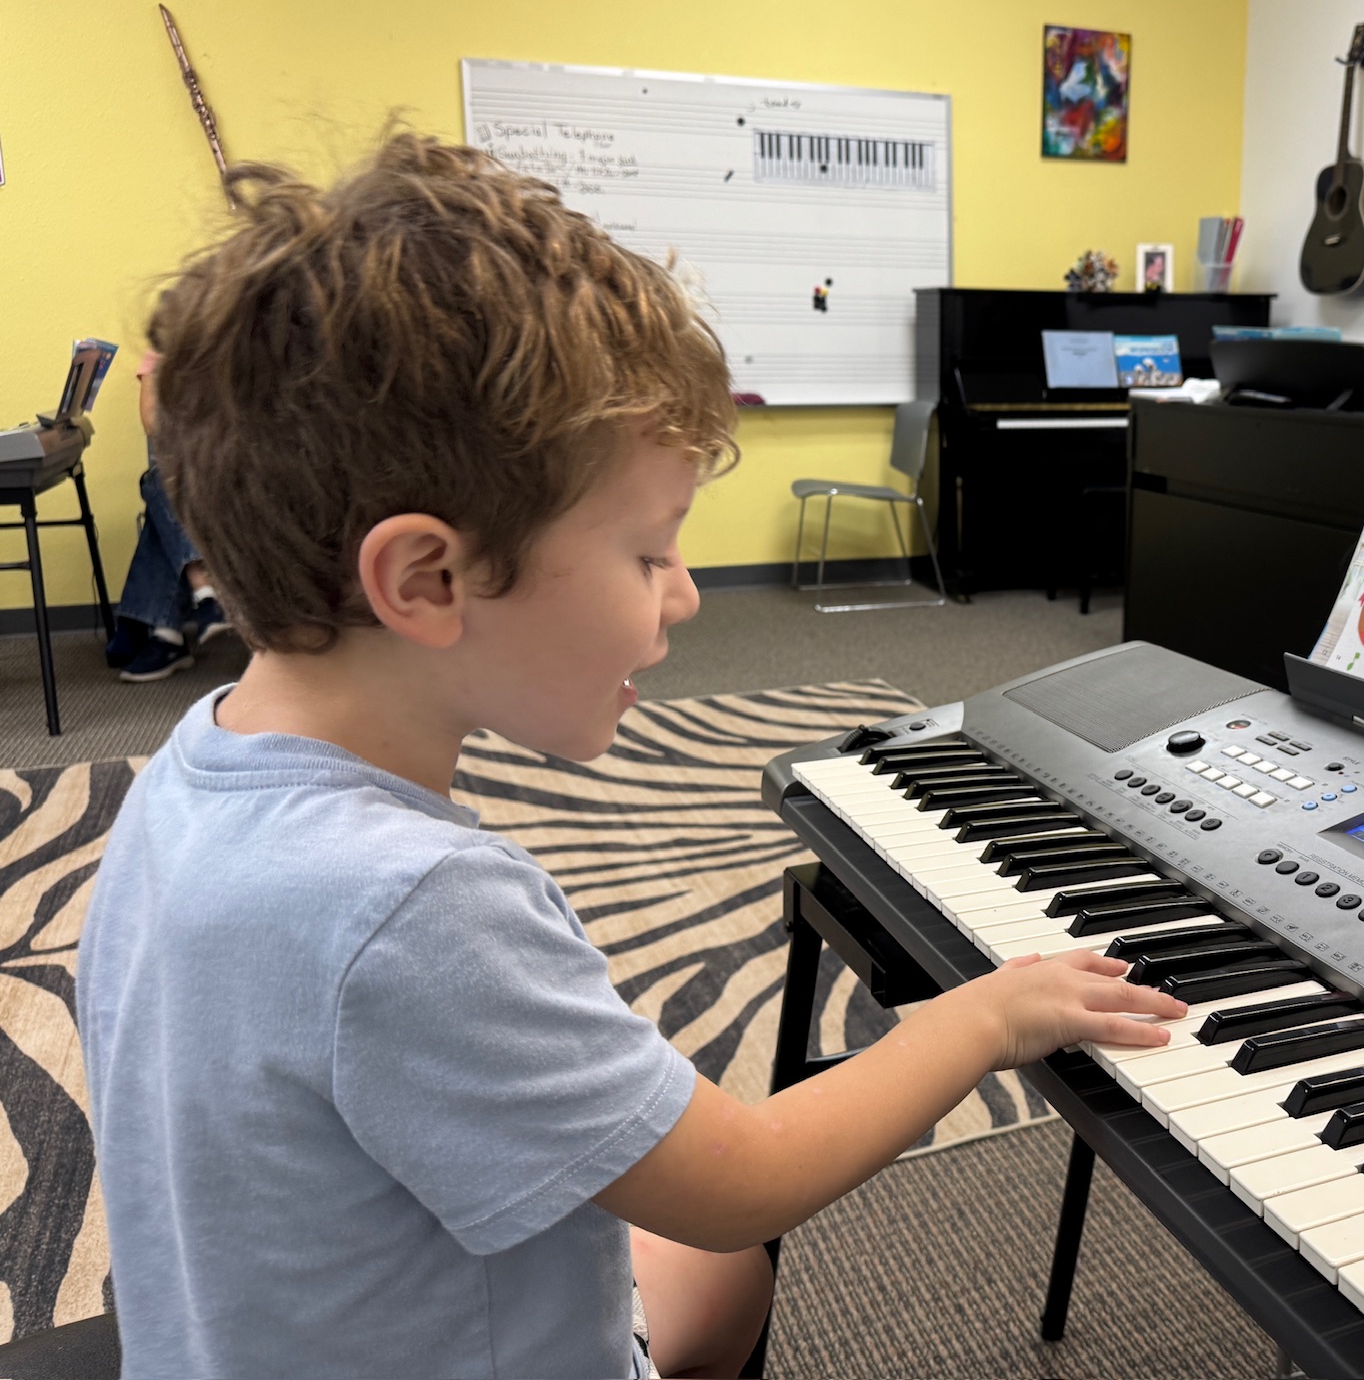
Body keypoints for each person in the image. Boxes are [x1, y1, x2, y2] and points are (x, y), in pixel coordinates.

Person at [75, 135, 1186, 1380]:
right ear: (426, 579)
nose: (690, 595)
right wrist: (987, 1016)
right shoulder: (412, 907)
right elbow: (744, 1181)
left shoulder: (183, 778)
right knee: (726, 1243)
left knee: (710, 1274)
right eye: (650, 552)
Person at [102, 348, 237, 681]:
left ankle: (158, 626)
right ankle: (194, 603)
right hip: (190, 470)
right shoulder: (161, 352)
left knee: (163, 487)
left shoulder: (242, 338)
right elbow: (153, 422)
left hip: (242, 471)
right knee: (166, 483)